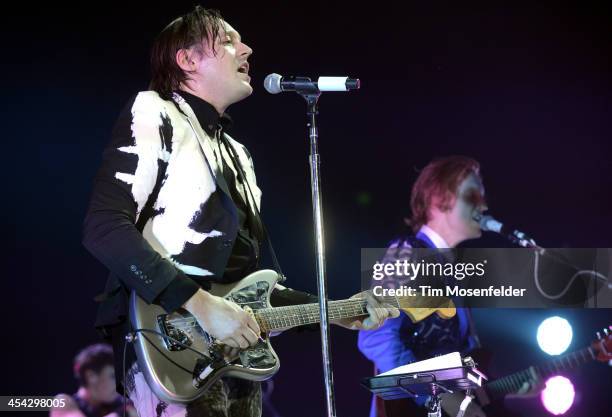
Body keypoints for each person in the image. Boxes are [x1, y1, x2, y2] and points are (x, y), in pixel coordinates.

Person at [82, 5, 397, 417]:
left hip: (236, 359)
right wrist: (201, 305)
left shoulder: (238, 155)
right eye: (228, 41)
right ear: (188, 59)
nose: (247, 49)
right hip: (171, 346)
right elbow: (103, 227)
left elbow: (249, 287)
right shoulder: (154, 111)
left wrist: (335, 312)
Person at [358, 156, 487, 417]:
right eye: (474, 195)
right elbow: (375, 336)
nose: (484, 206)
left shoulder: (454, 270)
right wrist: (440, 395)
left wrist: (504, 391)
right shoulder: (406, 254)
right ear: (440, 199)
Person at [50, 343, 137, 417]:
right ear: (91, 376)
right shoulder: (63, 403)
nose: (121, 384)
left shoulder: (122, 404)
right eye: (113, 376)